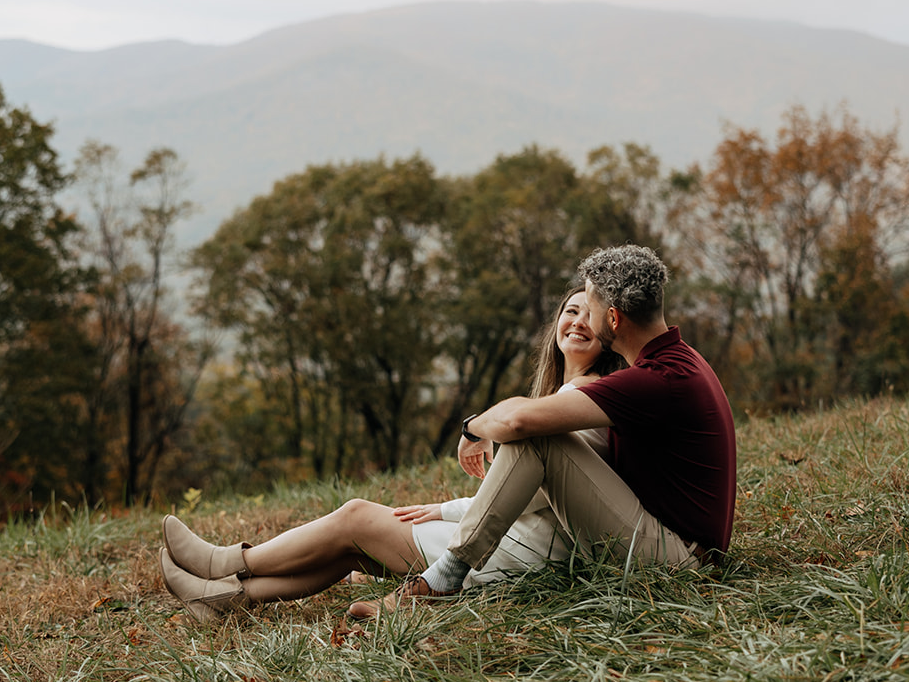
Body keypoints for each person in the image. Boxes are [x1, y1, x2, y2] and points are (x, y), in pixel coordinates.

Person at [157, 279, 621, 622]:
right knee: (352, 552)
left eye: (590, 316)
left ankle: (224, 562)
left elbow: (534, 494)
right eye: (570, 310)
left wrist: (446, 510)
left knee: (356, 517)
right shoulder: (566, 393)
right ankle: (220, 601)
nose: (577, 321)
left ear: (610, 332)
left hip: (519, 553)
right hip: (515, 543)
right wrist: (443, 509)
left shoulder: (587, 397)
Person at [379, 243, 737, 610]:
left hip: (682, 561)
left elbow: (517, 421)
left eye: (592, 309)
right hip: (678, 545)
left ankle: (447, 575)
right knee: (538, 437)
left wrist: (473, 428)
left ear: (613, 319)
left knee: (537, 439)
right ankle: (439, 571)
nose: (585, 320)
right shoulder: (679, 359)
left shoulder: (653, 379)